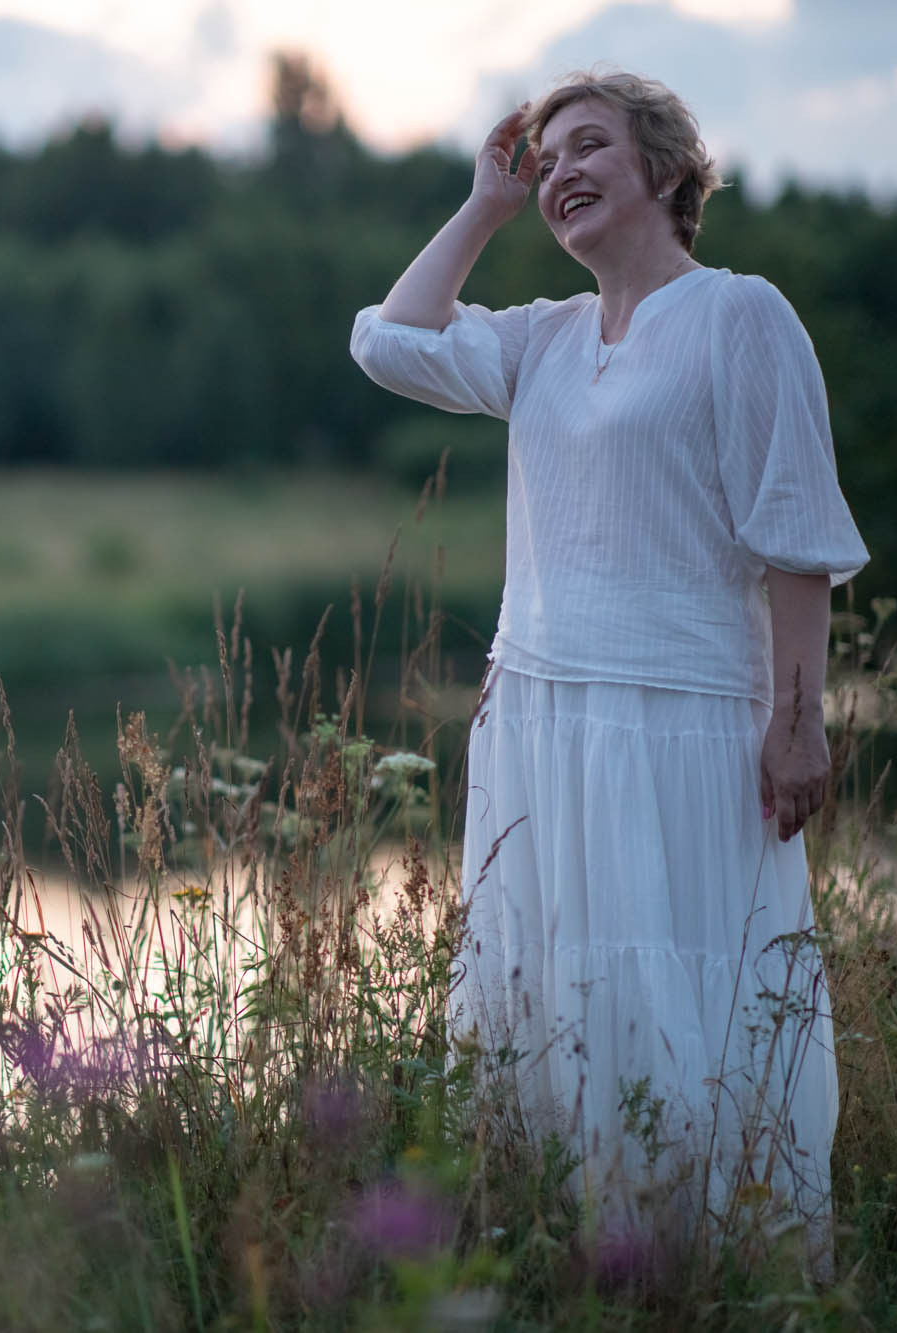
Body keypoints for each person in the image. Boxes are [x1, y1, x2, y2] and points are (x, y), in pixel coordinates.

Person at [349, 70, 866, 1272]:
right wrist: (482, 205)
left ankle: (722, 1260)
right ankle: (576, 1251)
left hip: (682, 719)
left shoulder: (739, 316)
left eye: (588, 146)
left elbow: (796, 540)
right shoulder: (540, 337)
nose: (559, 172)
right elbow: (386, 339)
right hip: (537, 717)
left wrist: (797, 721)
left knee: (686, 984)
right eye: (545, 158)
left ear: (666, 169)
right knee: (552, 987)